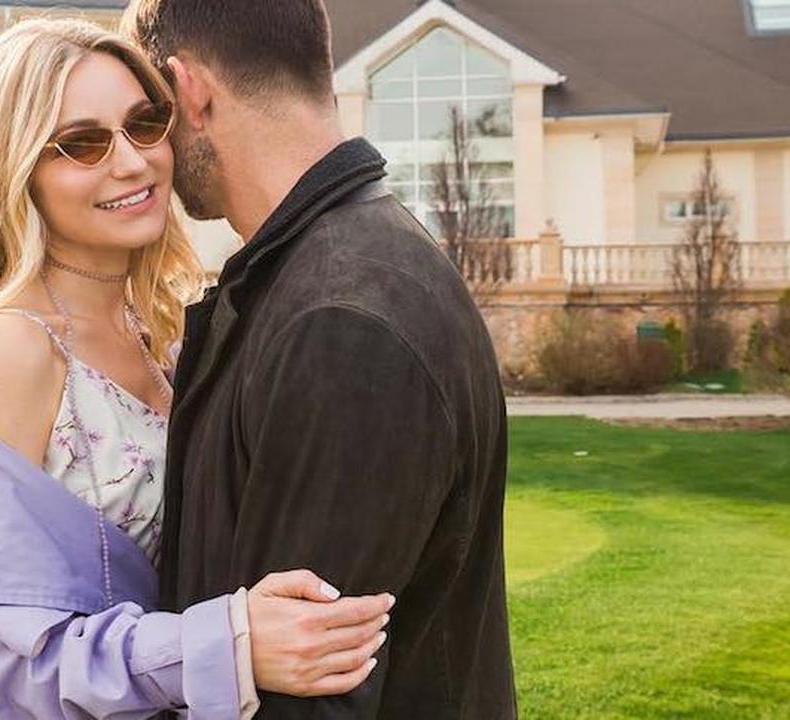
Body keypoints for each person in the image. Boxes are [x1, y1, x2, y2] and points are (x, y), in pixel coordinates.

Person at [0, 18, 392, 719]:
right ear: (16, 170)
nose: (132, 162)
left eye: (145, 125)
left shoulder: (161, 330)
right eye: (82, 143)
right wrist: (228, 646)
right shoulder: (12, 349)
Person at [122, 0, 518, 716]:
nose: (145, 152)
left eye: (151, 116)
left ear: (190, 92)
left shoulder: (341, 319)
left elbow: (305, 699)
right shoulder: (331, 269)